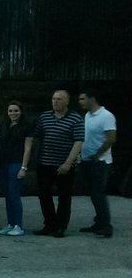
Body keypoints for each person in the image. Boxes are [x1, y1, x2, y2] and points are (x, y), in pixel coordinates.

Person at [27, 90, 84, 238]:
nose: (55, 101)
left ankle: (61, 226)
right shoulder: (45, 117)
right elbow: (34, 135)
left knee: (64, 197)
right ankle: (49, 224)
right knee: (44, 195)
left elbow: (78, 142)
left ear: (67, 101)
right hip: (45, 163)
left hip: (64, 165)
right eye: (53, 99)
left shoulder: (76, 119)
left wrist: (67, 163)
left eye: (59, 99)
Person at [77, 91, 117, 238]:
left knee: (98, 193)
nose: (80, 102)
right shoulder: (87, 116)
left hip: (100, 161)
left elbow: (111, 138)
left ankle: (106, 225)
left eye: (83, 99)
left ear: (92, 99)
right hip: (87, 160)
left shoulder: (106, 116)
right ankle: (99, 222)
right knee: (93, 194)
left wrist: (98, 154)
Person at [0, 101, 32, 236]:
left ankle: (18, 225)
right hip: (3, 163)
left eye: (16, 110)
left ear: (21, 112)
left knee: (14, 194)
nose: (13, 113)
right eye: (10, 111)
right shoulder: (5, 126)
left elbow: (28, 149)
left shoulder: (26, 127)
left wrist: (24, 167)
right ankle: (10, 224)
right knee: (7, 195)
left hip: (16, 163)